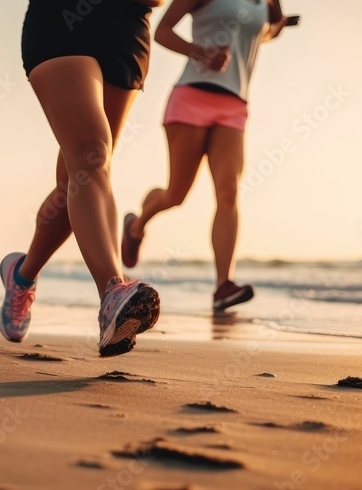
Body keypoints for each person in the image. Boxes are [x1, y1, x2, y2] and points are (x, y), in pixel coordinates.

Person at [0, 0, 164, 357]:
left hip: (126, 29)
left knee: (78, 177)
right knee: (92, 153)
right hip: (63, 19)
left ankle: (21, 275)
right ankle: (112, 293)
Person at [120, 0, 292, 311]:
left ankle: (223, 286)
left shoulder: (262, 4)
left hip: (234, 106)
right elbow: (163, 31)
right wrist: (201, 52)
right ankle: (135, 226)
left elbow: (270, 31)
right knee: (176, 194)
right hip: (191, 96)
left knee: (229, 191)